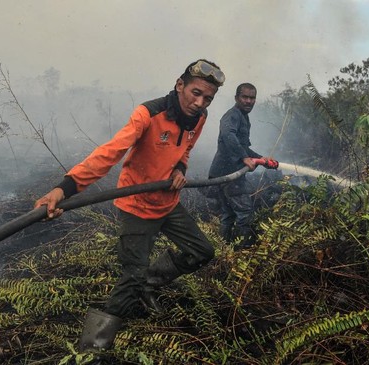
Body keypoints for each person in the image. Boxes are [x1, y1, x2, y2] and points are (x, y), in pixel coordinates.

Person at [34, 59, 225, 351]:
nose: (199, 103)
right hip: (137, 204)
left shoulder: (200, 118)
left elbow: (184, 150)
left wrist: (179, 171)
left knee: (202, 251)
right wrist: (64, 189)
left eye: (207, 98)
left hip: (167, 203)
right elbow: (110, 153)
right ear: (179, 85)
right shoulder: (148, 114)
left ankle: (150, 283)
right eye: (195, 93)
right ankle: (92, 350)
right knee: (131, 278)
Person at [208, 83, 275, 250]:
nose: (248, 101)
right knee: (245, 212)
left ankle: (224, 252)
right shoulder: (232, 116)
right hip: (230, 174)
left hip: (222, 173)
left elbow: (242, 145)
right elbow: (228, 135)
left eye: (252, 98)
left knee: (228, 215)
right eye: (245, 97)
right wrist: (245, 158)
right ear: (236, 98)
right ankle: (244, 253)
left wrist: (261, 159)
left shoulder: (242, 116)